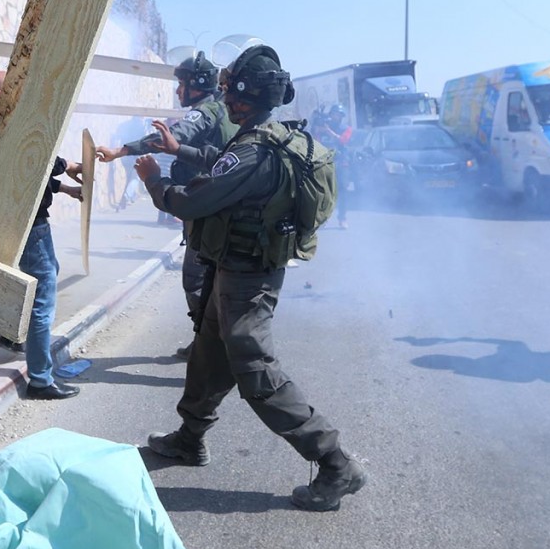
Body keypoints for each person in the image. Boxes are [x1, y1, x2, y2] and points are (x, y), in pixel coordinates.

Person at [133, 45, 367, 512]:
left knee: (256, 374)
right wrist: (180, 149)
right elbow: (222, 162)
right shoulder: (268, 136)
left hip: (246, 280)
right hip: (237, 271)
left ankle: (336, 464)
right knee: (208, 355)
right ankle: (188, 438)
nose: (223, 97)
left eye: (228, 90)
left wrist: (153, 181)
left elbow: (193, 202)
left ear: (241, 95)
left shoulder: (254, 149)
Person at [97, 52, 238, 359]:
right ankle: (209, 343)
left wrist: (121, 150)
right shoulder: (225, 109)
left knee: (196, 280)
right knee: (213, 281)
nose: (178, 91)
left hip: (205, 207)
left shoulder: (204, 112)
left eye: (182, 84)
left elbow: (170, 138)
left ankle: (215, 350)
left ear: (197, 84)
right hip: (219, 205)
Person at [0, 70, 83, 400]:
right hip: (28, 221)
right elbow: (35, 160)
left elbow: (29, 173)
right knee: (43, 296)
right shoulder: (5, 123)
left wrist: (63, 184)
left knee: (37, 279)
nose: (23, 90)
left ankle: (12, 336)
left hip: (17, 217)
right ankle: (40, 378)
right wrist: (67, 168)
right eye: (14, 86)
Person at [314, 104, 352, 228]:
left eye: (339, 115)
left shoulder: (346, 128)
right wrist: (318, 130)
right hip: (325, 163)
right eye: (335, 114)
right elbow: (315, 141)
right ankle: (324, 218)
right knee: (324, 191)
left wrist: (328, 131)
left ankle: (342, 218)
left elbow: (343, 140)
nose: (336, 117)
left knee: (343, 191)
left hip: (341, 163)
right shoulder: (322, 125)